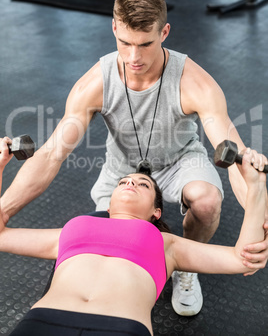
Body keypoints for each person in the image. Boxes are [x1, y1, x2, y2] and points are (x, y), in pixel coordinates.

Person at [1, 0, 268, 316]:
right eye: (124, 42)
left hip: (180, 159)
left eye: (145, 44)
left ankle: (187, 267)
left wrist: (261, 215)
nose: (133, 56)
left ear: (165, 31)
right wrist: (4, 211)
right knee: (104, 236)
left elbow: (236, 155)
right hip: (122, 167)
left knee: (207, 199)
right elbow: (54, 153)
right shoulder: (94, 84)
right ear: (114, 27)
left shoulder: (195, 83)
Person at [0, 137, 267, 336]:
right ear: (109, 203)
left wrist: (256, 186)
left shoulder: (167, 243)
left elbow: (241, 258)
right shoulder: (73, 228)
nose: (130, 183)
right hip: (43, 323)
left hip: (120, 327)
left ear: (156, 211)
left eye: (143, 184)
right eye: (123, 182)